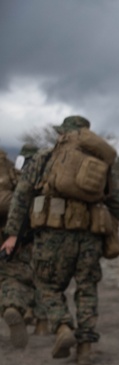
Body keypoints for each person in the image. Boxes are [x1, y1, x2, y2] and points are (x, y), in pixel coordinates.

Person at [1, 116, 119, 365]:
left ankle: (62, 327)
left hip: (52, 235)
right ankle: (86, 347)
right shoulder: (101, 164)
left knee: (46, 285)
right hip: (89, 238)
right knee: (87, 287)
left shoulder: (46, 157)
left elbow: (22, 196)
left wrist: (13, 233)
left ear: (63, 134)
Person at [0, 143, 44, 348]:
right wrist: (15, 234)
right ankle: (14, 307)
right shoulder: (11, 170)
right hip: (13, 233)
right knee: (14, 275)